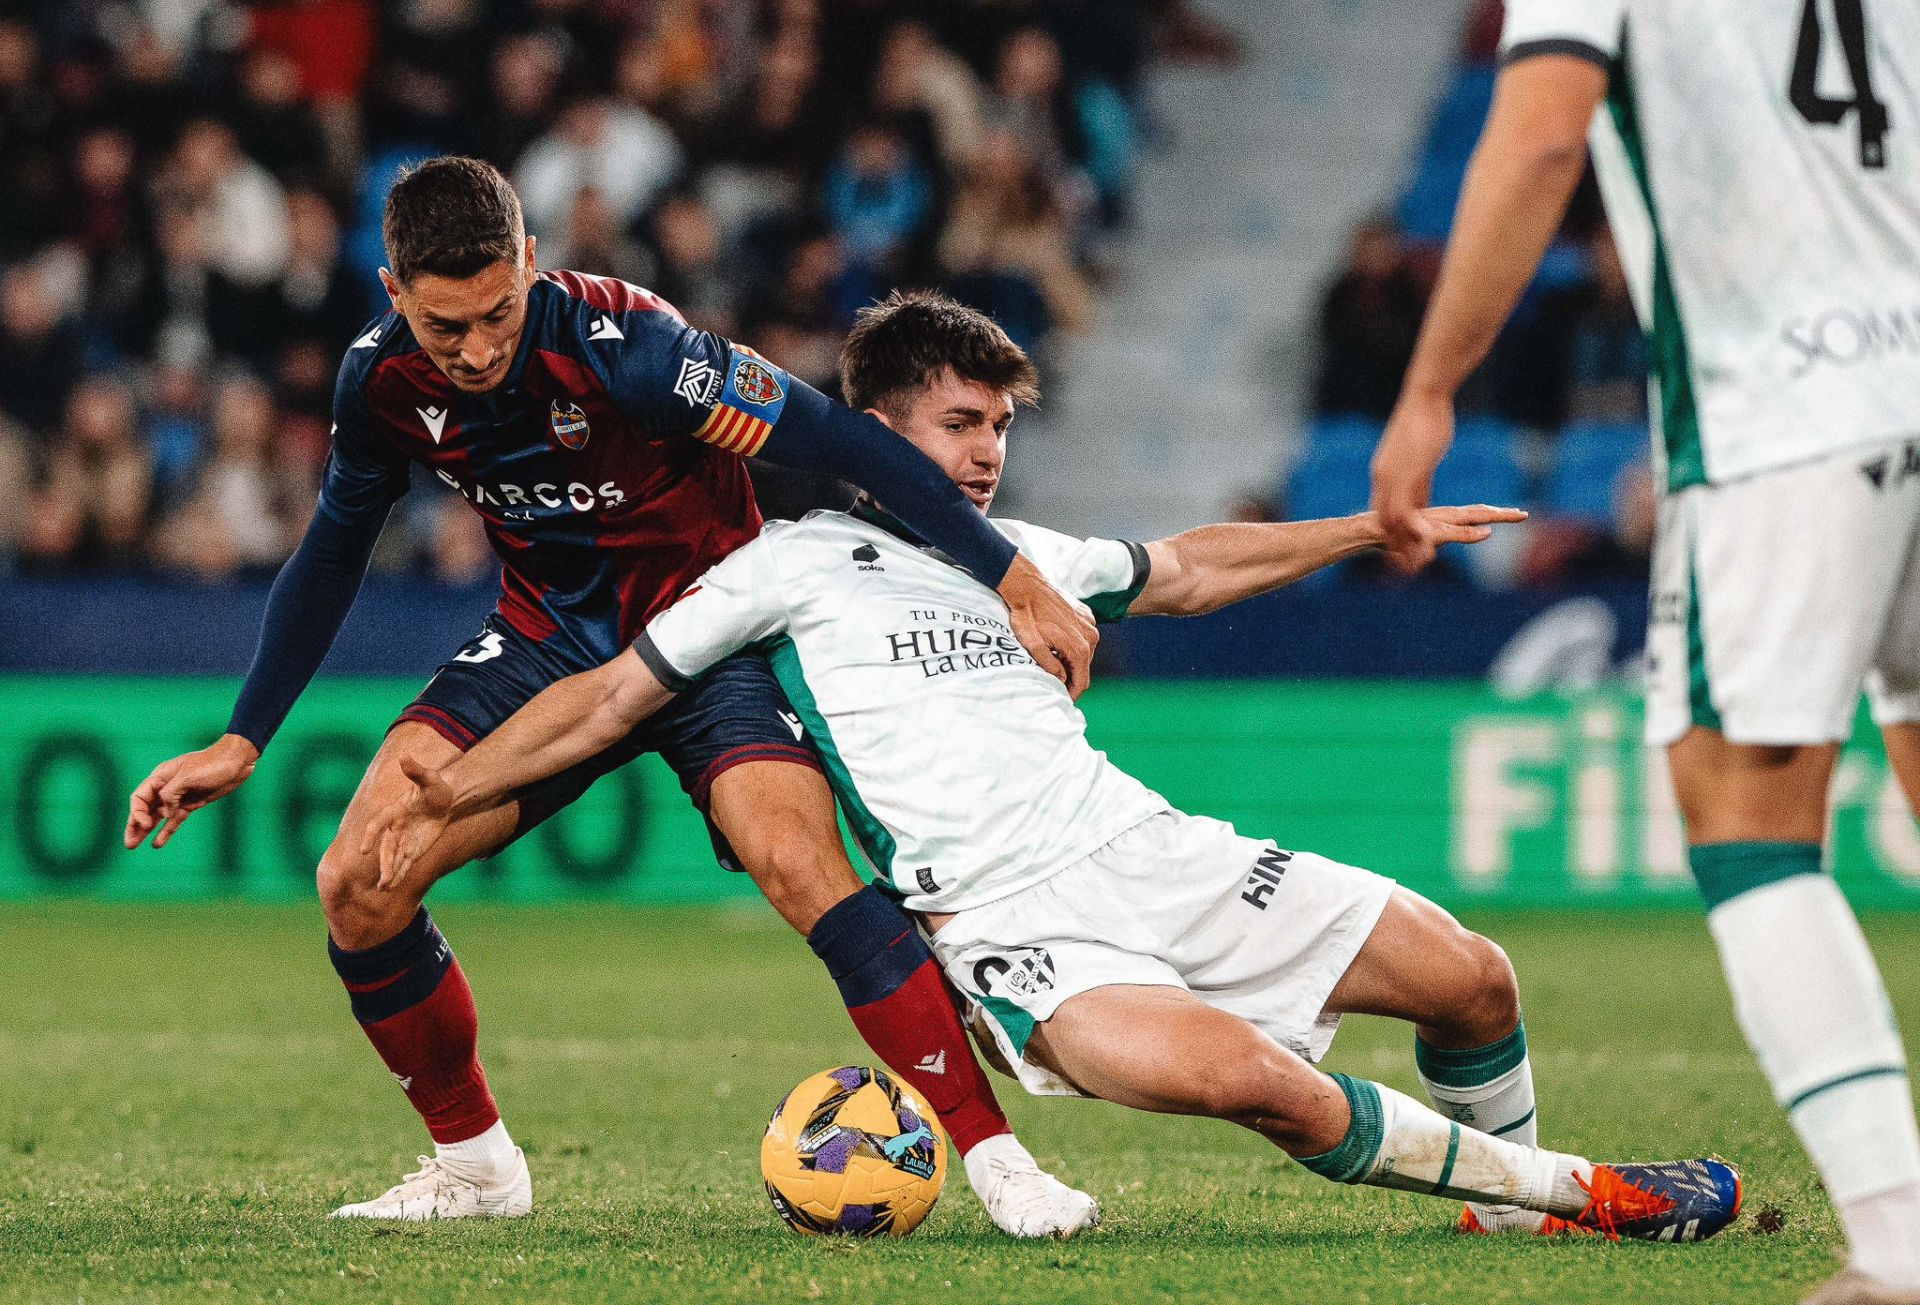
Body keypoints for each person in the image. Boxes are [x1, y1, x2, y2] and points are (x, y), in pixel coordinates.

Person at [364, 291, 1742, 1243]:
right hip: (1020, 933)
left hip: (1154, 849)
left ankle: (1501, 1212)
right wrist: (458, 787)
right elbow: (610, 697)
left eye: (1001, 428)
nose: (988, 453)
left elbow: (1190, 567)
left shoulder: (1022, 558)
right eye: (963, 425)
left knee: (1474, 977)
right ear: (885, 426)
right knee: (1269, 1086)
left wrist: (1366, 530)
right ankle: (1589, 1190)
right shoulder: (780, 569)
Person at [122, 158, 1099, 1236]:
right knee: (358, 881)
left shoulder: (636, 353)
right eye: (449, 328)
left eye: (499, 312)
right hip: (546, 645)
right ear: (396, 294)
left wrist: (1012, 579)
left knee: (796, 863)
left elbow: (844, 442)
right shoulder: (381, 382)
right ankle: (477, 1169)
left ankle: (1002, 1162)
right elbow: (333, 549)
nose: (482, 350)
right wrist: (246, 735)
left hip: (708, 635)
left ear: (531, 262)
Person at [1366, 5, 1920, 1300]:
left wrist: (1433, 386)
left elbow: (1545, 130)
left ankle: (1899, 1243)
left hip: (1787, 406)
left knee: (1743, 814)